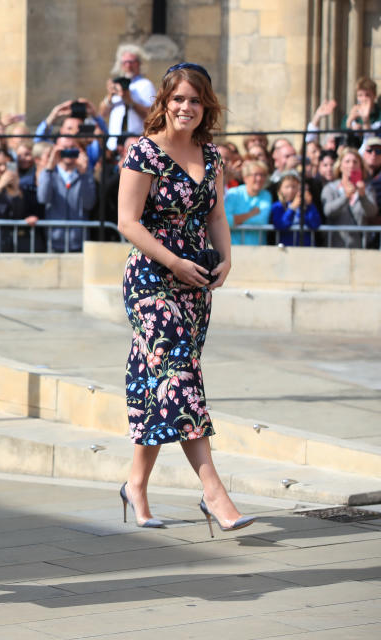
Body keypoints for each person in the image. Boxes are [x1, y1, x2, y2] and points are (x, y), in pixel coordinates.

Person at [117, 62, 255, 537]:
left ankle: (135, 484)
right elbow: (128, 222)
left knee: (158, 384)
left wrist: (227, 258)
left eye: (194, 100)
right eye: (178, 99)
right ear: (164, 101)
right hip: (152, 280)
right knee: (179, 373)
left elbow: (216, 215)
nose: (186, 107)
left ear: (205, 105)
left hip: (196, 283)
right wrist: (172, 261)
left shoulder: (212, 157)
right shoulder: (145, 153)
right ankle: (213, 491)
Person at [37, 119, 97, 252]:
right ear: (56, 149)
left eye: (72, 148)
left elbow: (89, 203)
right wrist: (49, 169)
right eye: (64, 149)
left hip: (79, 243)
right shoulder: (48, 173)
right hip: (53, 241)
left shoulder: (85, 173)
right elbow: (43, 198)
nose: (68, 152)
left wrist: (84, 175)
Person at [99, 44, 156, 151]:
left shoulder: (145, 85)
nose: (128, 66)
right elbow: (102, 113)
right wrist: (110, 96)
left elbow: (151, 116)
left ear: (139, 63)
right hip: (113, 144)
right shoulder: (117, 84)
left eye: (131, 62)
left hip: (134, 143)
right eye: (125, 62)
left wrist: (130, 102)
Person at [322, 146, 381, 248]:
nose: (351, 165)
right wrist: (345, 197)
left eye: (355, 162)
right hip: (335, 248)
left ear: (360, 166)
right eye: (347, 161)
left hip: (360, 248)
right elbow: (328, 211)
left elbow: (372, 212)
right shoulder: (330, 188)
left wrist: (363, 196)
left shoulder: (367, 189)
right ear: (340, 166)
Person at [224, 159, 272, 245]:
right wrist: (251, 214)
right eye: (256, 175)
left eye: (262, 175)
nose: (259, 178)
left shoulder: (266, 195)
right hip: (234, 248)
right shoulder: (233, 193)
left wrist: (236, 220)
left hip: (259, 249)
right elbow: (226, 221)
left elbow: (261, 221)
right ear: (245, 178)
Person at [270, 171, 320, 246]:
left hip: (305, 247)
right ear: (280, 189)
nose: (291, 190)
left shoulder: (305, 205)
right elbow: (281, 225)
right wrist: (292, 208)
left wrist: (309, 205)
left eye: (294, 187)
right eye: (287, 187)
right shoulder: (277, 206)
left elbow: (315, 224)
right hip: (286, 248)